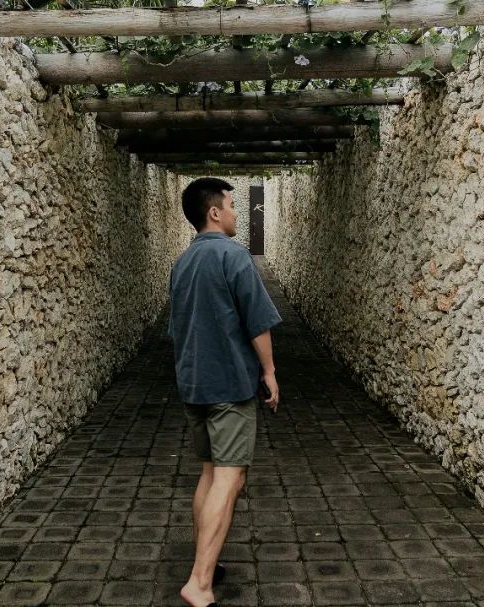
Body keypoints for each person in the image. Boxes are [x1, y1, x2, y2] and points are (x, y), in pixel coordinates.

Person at [168, 177, 282, 607]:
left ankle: (207, 562)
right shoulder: (234, 256)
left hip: (193, 383)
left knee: (209, 473)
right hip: (230, 386)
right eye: (232, 205)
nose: (237, 213)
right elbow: (258, 323)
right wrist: (269, 372)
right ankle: (199, 583)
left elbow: (178, 327)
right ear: (214, 212)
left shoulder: (182, 263)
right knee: (230, 478)